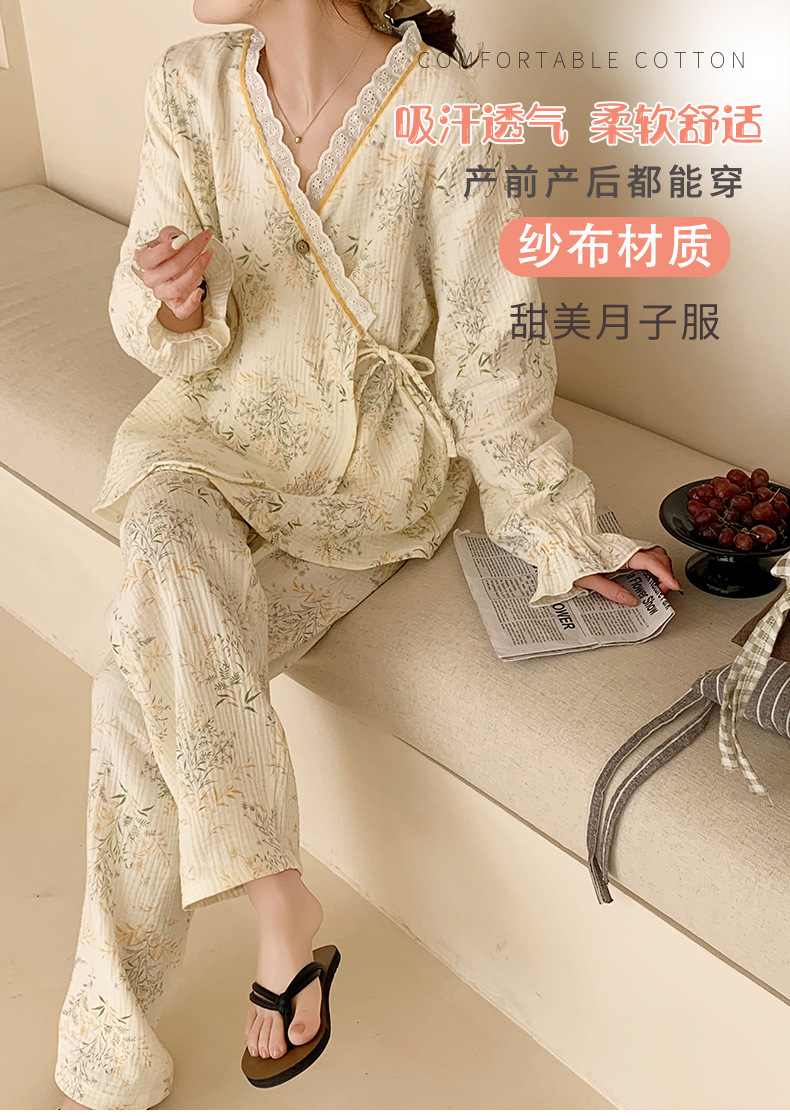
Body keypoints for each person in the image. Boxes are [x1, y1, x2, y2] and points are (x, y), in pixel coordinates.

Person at [55, 0, 681, 1108]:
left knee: (125, 689)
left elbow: (492, 349)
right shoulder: (188, 83)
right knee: (158, 527)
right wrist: (175, 302)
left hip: (367, 483)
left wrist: (556, 528)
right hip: (209, 439)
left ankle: (107, 1045)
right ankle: (279, 899)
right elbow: (148, 316)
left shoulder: (443, 110)